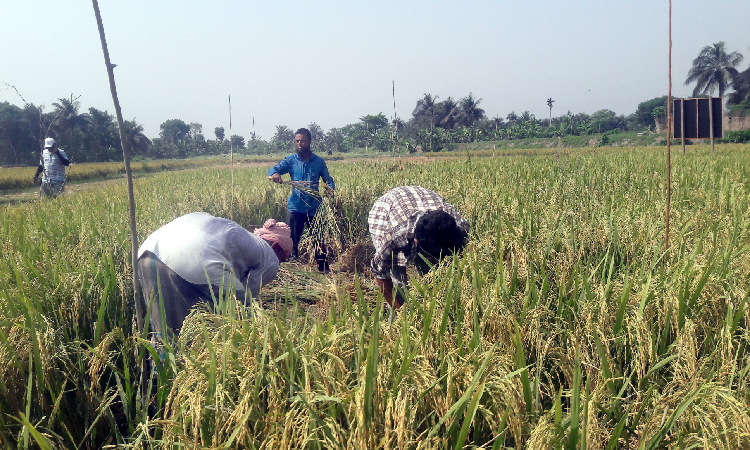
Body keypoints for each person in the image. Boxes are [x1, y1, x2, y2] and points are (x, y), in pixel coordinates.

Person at [137, 213, 292, 336]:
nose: (280, 262)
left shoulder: (246, 238)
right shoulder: (271, 258)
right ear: (277, 247)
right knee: (236, 317)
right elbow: (245, 296)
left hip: (148, 250)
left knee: (162, 326)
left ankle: (159, 370)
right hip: (193, 257)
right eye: (283, 258)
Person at [368, 186, 469, 308]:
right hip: (384, 212)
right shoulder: (393, 240)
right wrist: (400, 313)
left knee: (436, 277)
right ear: (416, 241)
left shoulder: (459, 226)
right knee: (399, 285)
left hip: (421, 200)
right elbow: (380, 274)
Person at [267, 128, 335, 271]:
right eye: (297, 141)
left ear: (309, 142)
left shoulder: (318, 162)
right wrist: (274, 174)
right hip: (295, 208)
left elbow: (327, 179)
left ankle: (323, 269)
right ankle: (292, 271)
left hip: (314, 207)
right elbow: (274, 168)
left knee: (318, 240)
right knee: (291, 241)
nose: (299, 143)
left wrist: (330, 188)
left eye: (302, 141)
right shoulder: (291, 160)